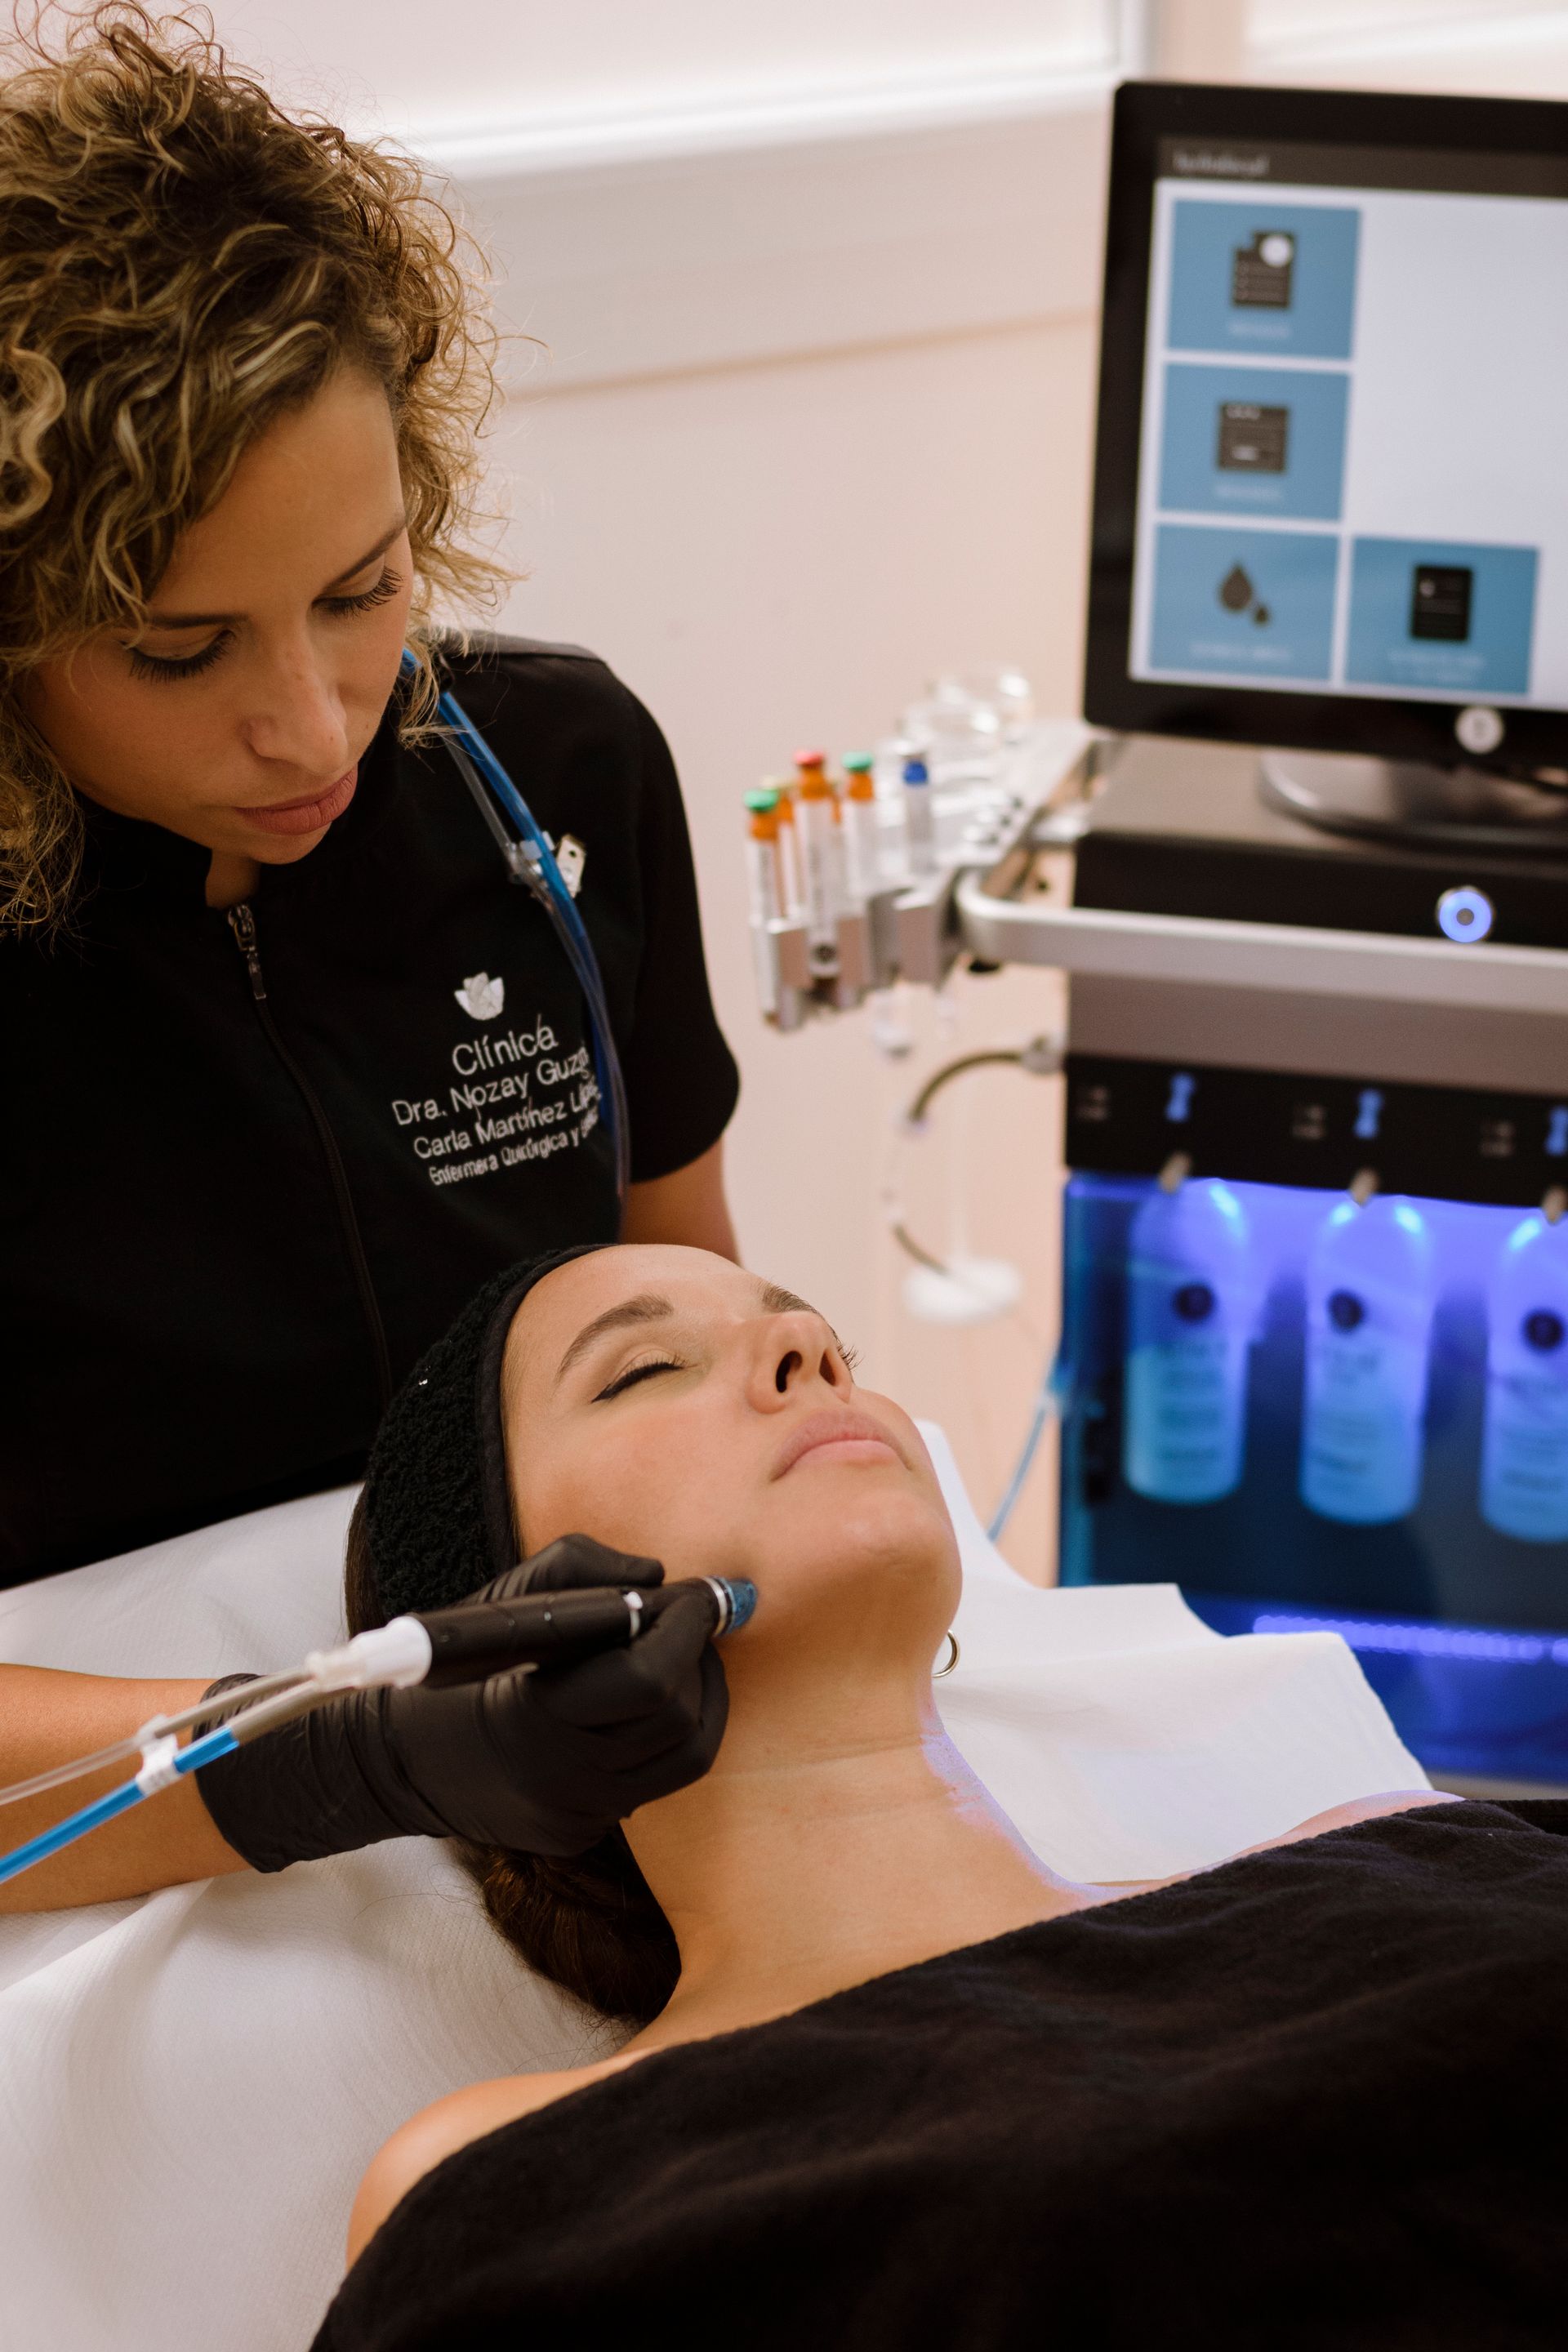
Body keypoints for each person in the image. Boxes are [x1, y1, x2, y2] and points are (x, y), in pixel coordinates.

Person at [282, 1241, 1558, 2350]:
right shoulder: (517, 2173)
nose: (805, 1351)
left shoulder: (1378, 1852)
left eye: (823, 1339)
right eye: (641, 1369)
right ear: (515, 1637)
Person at [0, 6, 739, 1585]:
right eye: (180, 652)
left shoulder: (562, 776)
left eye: (362, 590)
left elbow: (698, 1330)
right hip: (115, 1793)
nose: (313, 732)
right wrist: (331, 1757)